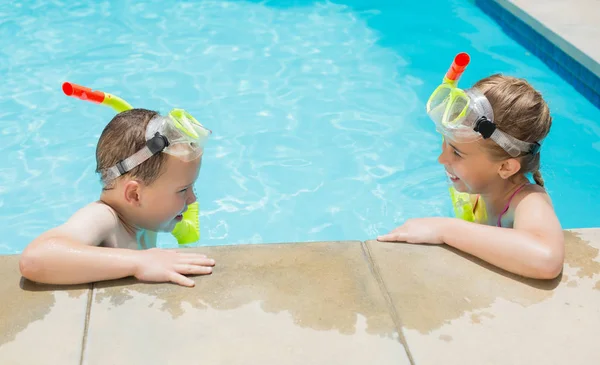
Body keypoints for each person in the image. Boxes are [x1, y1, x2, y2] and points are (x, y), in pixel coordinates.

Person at [378, 71, 564, 280]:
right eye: (445, 143)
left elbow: (547, 260)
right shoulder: (476, 185)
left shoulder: (528, 201)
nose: (442, 159)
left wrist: (444, 229)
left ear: (505, 167)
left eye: (457, 152)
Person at [19, 108, 216, 287]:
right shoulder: (103, 218)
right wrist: (140, 262)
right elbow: (35, 259)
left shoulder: (143, 219)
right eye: (183, 190)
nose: (192, 200)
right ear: (134, 194)